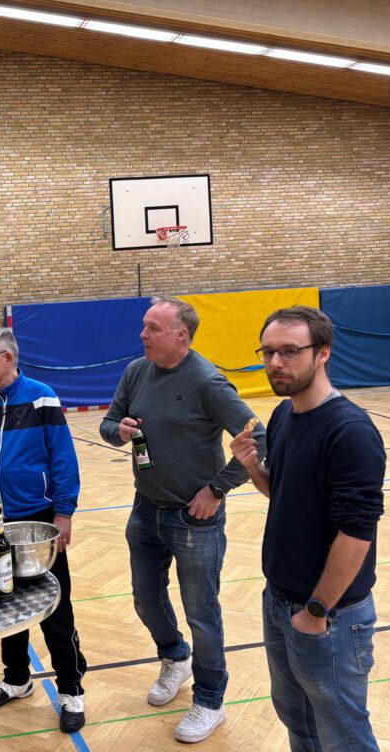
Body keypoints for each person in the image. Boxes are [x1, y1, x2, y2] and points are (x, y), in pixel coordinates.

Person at [99, 295, 265, 743]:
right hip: (145, 508)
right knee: (145, 599)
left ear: (181, 337)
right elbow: (108, 424)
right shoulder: (136, 371)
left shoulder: (208, 381)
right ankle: (175, 657)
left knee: (201, 613)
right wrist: (120, 431)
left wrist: (217, 489)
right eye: (144, 326)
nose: (142, 334)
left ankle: (210, 700)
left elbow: (260, 438)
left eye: (152, 328)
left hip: (194, 520)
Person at [230, 306, 385, 752]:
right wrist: (252, 467)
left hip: (329, 616)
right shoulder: (283, 415)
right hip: (279, 601)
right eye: (268, 352)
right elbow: (281, 492)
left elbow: (356, 534)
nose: (275, 363)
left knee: (344, 734)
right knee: (298, 721)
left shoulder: (349, 431)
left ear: (322, 353)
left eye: (290, 351)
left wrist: (316, 611)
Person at [0, 327, 88, 734]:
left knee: (55, 606)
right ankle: (17, 679)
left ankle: (71, 688)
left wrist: (63, 513)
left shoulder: (41, 397)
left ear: (8, 358)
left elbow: (63, 457)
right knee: (5, 602)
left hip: (41, 518)